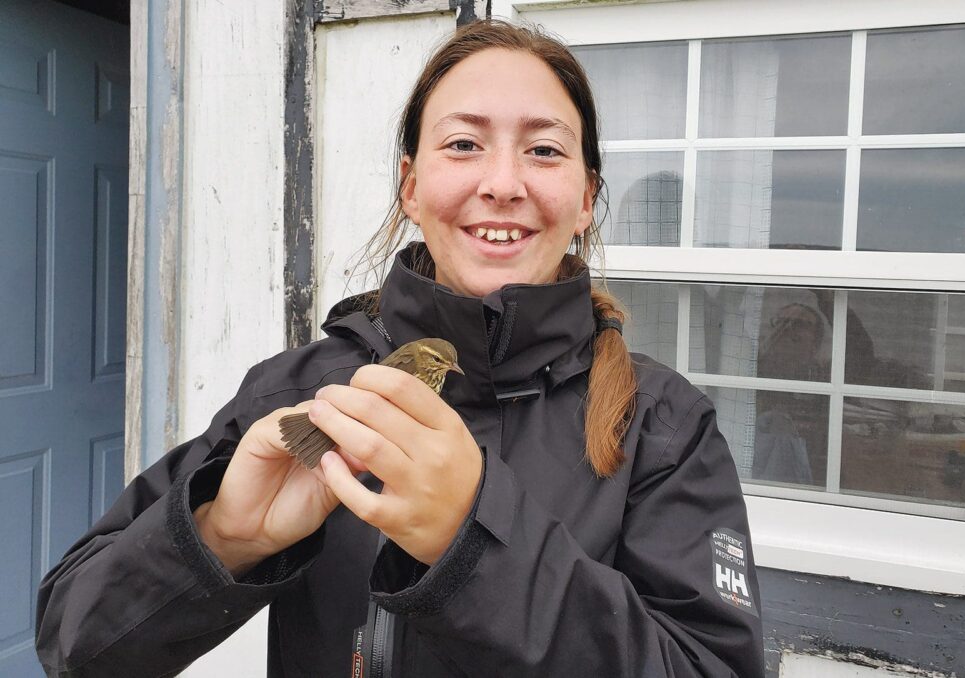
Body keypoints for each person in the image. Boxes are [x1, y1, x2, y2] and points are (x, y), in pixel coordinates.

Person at [35, 20, 764, 677]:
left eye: (543, 150)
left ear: (583, 199)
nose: (502, 183)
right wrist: (222, 536)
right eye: (463, 144)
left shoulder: (664, 427)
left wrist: (474, 547)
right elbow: (75, 641)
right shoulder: (301, 392)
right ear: (411, 186)